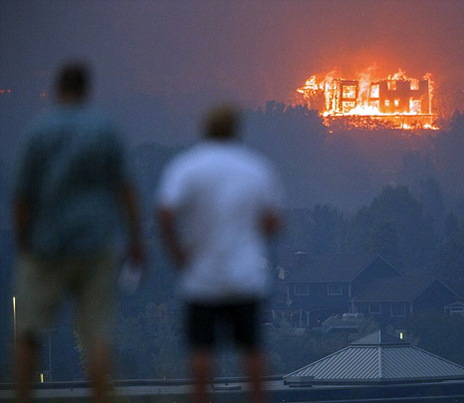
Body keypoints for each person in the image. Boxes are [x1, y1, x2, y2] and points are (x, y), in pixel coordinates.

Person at [12, 62, 144, 403]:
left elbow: (22, 195)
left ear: (58, 89)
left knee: (29, 332)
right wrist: (135, 239)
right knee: (97, 336)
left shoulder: (38, 132)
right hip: (95, 245)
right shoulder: (105, 131)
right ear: (88, 89)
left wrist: (24, 240)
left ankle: (22, 396)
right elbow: (125, 190)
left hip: (45, 245)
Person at [157, 105, 283, 403]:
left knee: (201, 351)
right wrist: (253, 238)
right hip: (245, 275)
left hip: (202, 276)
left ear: (205, 128)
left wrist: (177, 252)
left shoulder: (187, 167)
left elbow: (164, 213)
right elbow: (274, 221)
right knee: (252, 349)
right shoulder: (257, 167)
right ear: (236, 129)